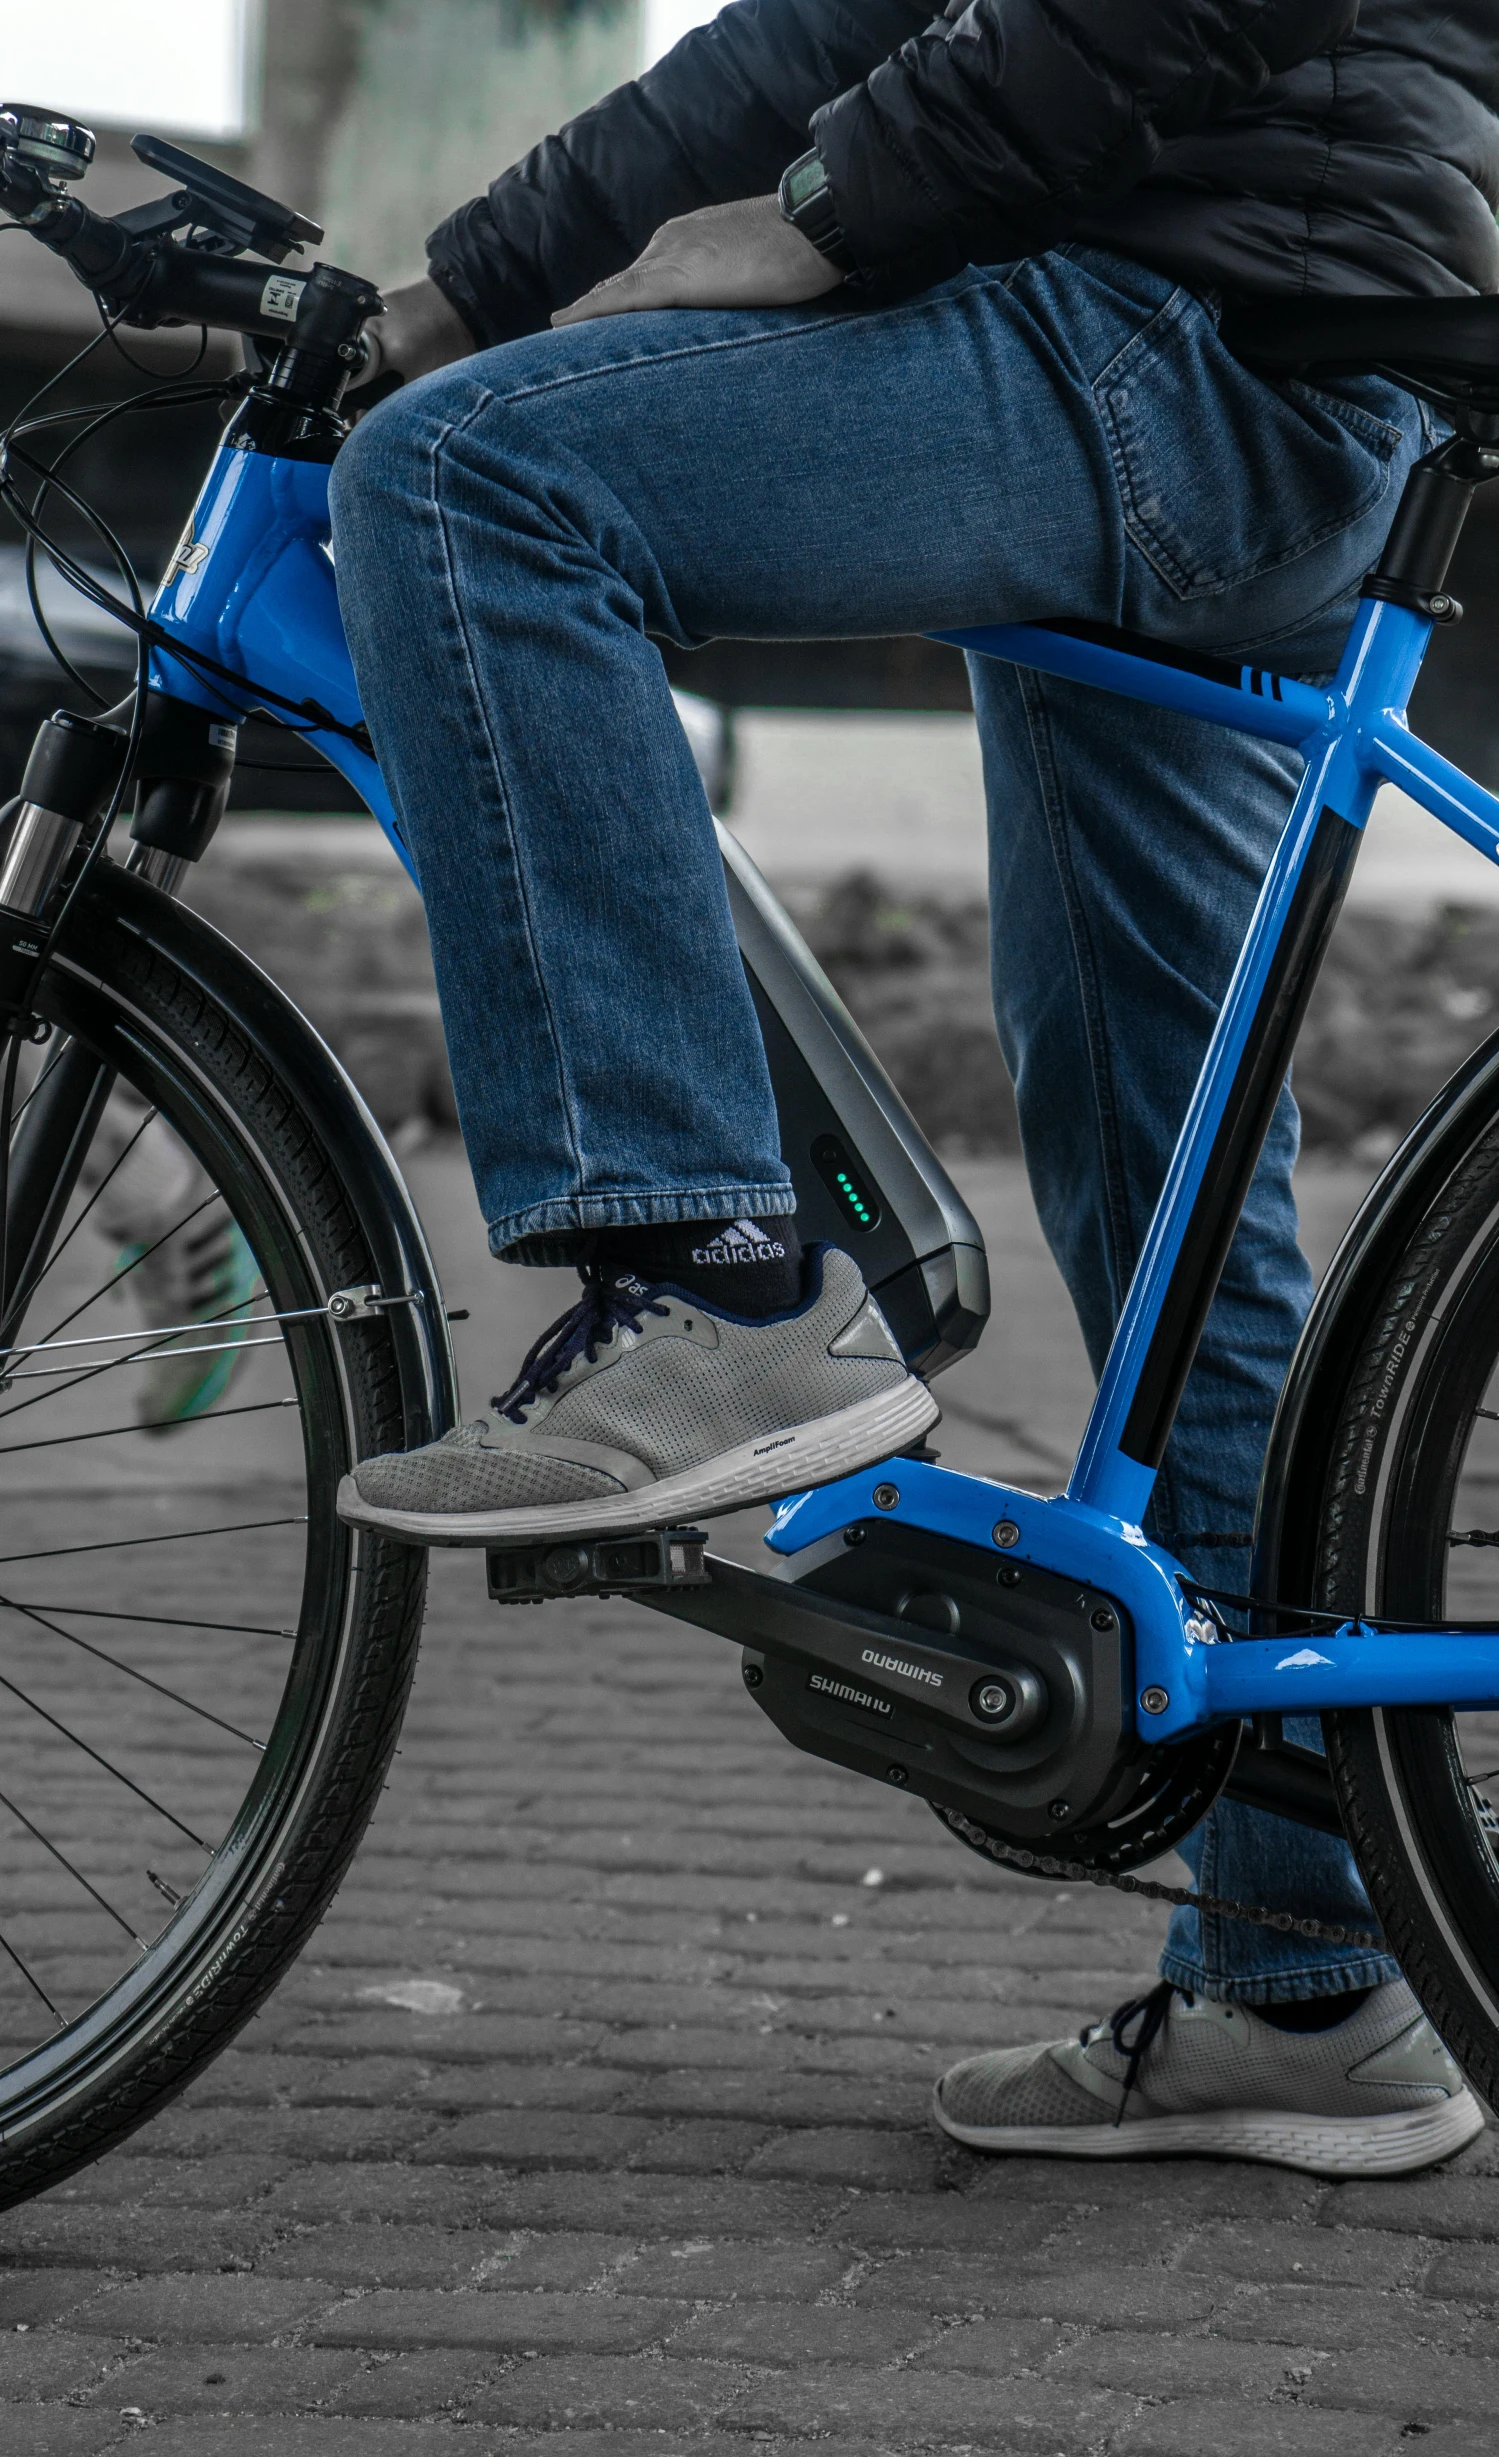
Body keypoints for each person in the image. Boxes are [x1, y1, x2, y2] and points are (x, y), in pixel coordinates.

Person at [327, 0, 1496, 2173]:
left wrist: (813, 215)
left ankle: (727, 1291)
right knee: (1170, 1176)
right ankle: (1304, 1978)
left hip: (1177, 335)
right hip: (1256, 333)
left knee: (469, 473)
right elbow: (834, 23)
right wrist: (461, 280)